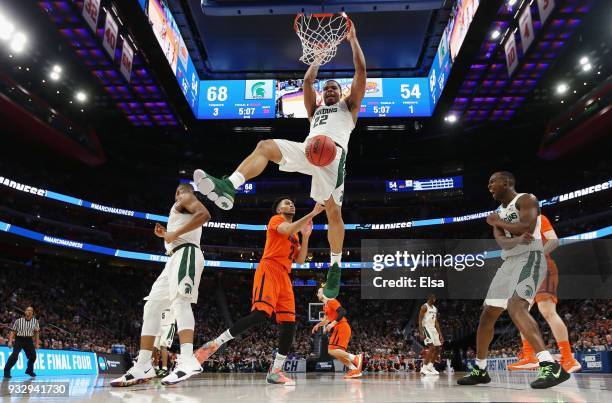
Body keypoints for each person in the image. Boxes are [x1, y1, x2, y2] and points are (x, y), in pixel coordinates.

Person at [192, 21, 366, 299]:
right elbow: (308, 81)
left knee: (333, 213)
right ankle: (229, 186)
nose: (330, 90)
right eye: (328, 89)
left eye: (335, 88)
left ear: (342, 94)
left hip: (333, 157)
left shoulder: (350, 107)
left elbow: (361, 71)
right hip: (310, 151)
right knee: (265, 146)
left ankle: (335, 267)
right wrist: (318, 59)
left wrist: (353, 40)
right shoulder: (315, 111)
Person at [458, 171, 570, 389]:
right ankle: (480, 369)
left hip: (531, 257)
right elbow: (502, 242)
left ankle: (550, 366)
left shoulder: (526, 199)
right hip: (508, 263)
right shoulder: (497, 213)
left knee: (516, 307)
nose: (489, 185)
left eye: (493, 181)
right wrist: (513, 234)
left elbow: (527, 227)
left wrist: (503, 225)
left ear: (507, 182)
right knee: (487, 316)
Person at [194, 198, 323, 385]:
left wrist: (306, 236)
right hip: (269, 268)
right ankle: (216, 343)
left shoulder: (295, 235)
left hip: (285, 276)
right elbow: (287, 229)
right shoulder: (276, 221)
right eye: (287, 203)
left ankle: (276, 371)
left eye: (292, 202)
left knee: (289, 324)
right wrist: (312, 214)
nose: (291, 204)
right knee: (261, 314)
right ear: (278, 209)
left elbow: (301, 260)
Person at [111, 183, 210, 387]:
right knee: (153, 305)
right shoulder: (179, 210)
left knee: (181, 303)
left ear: (178, 192)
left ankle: (187, 360)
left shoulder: (185, 196)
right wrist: (167, 235)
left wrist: (173, 234)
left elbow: (204, 215)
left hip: (187, 253)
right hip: (174, 257)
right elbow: (179, 235)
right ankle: (144, 365)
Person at [507, 214, 581, 373]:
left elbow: (553, 241)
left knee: (547, 311)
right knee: (519, 312)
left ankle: (569, 358)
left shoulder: (538, 218)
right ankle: (529, 356)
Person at [312, 286, 363, 378]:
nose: (317, 294)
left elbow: (343, 311)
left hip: (342, 326)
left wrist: (333, 324)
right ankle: (354, 370)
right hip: (339, 328)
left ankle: (355, 357)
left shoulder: (331, 301)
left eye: (319, 292)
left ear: (324, 293)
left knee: (331, 351)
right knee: (337, 353)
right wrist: (318, 325)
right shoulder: (325, 306)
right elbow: (327, 320)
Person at [3, 306, 40, 378]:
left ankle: (29, 370)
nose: (29, 311)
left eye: (30, 311)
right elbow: (13, 332)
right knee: (14, 355)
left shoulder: (35, 322)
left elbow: (37, 333)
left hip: (29, 340)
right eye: (27, 310)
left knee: (33, 356)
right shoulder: (18, 321)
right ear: (25, 312)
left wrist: (37, 343)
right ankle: (6, 371)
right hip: (19, 339)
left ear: (32, 313)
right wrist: (10, 341)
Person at [419, 294, 443, 375]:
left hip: (433, 329)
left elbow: (436, 322)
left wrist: (440, 334)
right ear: (429, 298)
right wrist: (421, 332)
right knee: (432, 347)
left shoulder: (435, 308)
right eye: (433, 298)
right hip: (426, 328)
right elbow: (420, 320)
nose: (434, 300)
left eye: (435, 298)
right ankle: (424, 368)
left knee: (438, 348)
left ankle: (430, 366)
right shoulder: (424, 307)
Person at [153, 308, 177, 377]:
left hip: (169, 325)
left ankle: (164, 369)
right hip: (158, 326)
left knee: (163, 346)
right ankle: (156, 368)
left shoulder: (173, 299)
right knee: (154, 347)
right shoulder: (159, 300)